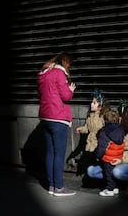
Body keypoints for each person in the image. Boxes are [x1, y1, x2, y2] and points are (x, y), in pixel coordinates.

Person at [87, 101, 128, 197]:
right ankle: (115, 185)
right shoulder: (117, 130)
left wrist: (122, 160)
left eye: (119, 117)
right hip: (114, 161)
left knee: (117, 172)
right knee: (92, 171)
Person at [38, 52, 77, 197]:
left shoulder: (43, 74)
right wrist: (71, 90)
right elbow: (66, 96)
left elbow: (41, 94)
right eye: (69, 64)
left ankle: (51, 186)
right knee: (59, 154)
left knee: (50, 152)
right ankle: (59, 187)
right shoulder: (59, 74)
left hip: (45, 117)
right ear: (65, 62)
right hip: (58, 117)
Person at [68, 88, 109, 175]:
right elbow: (87, 127)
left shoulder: (103, 116)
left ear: (100, 106)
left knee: (98, 160)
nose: (91, 104)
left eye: (94, 103)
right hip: (90, 142)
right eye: (92, 102)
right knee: (89, 161)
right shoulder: (90, 115)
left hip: (99, 142)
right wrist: (81, 129)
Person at [95, 109, 125, 197]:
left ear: (105, 120)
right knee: (114, 173)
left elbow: (102, 147)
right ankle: (115, 187)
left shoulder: (104, 131)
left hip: (108, 157)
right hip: (118, 156)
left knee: (108, 174)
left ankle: (110, 189)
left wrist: (98, 156)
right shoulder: (120, 129)